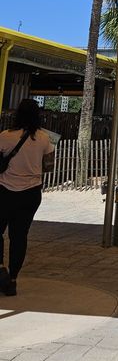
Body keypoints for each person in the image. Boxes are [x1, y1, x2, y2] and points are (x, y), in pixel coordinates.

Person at [0, 99, 55, 296]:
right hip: (31, 193)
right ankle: (13, 279)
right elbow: (49, 167)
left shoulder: (5, 136)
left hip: (4, 190)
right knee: (19, 236)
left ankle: (0, 268)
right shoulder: (44, 138)